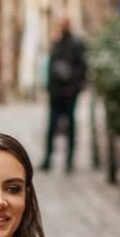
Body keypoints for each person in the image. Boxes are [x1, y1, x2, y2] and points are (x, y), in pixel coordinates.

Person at [40, 18, 88, 174]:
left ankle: (68, 161)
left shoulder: (76, 44)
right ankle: (48, 159)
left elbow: (82, 68)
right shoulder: (57, 42)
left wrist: (74, 87)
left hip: (69, 93)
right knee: (52, 126)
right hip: (56, 93)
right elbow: (51, 67)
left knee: (70, 127)